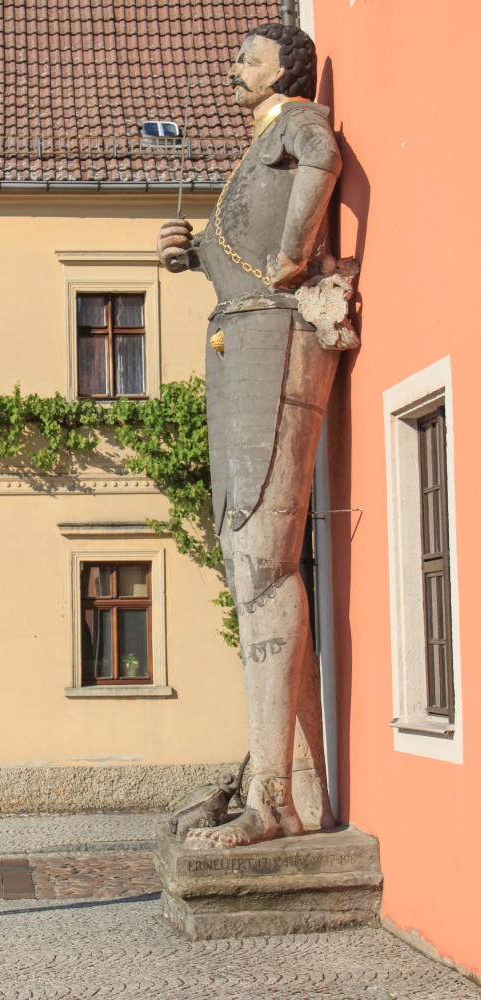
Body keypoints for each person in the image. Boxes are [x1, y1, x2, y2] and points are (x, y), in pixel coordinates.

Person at [157, 23, 358, 847]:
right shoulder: (255, 146)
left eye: (249, 56)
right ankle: (293, 787)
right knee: (246, 556)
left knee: (263, 558)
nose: (233, 66)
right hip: (238, 332)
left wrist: (294, 249)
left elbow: (322, 156)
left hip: (275, 333)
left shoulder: (297, 121)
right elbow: (231, 250)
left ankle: (269, 800)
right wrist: (192, 251)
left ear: (289, 68)